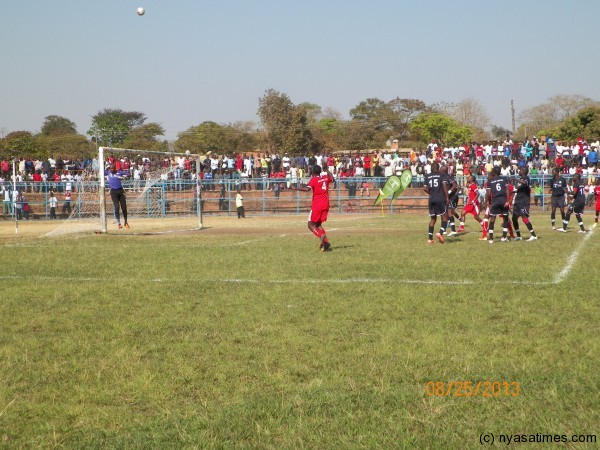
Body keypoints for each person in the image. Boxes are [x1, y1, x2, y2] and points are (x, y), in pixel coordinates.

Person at [291, 163, 334, 251]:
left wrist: (295, 188)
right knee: (318, 224)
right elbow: (333, 179)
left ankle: (321, 236)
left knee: (310, 224)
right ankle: (326, 243)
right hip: (326, 204)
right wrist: (326, 170)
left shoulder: (314, 179)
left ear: (313, 172)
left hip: (317, 205)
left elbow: (307, 189)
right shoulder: (325, 178)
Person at [423, 161, 449, 244]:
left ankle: (430, 239)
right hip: (440, 198)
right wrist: (447, 198)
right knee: (445, 217)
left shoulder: (427, 176)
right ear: (438, 168)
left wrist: (431, 193)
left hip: (431, 199)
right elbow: (444, 186)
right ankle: (440, 233)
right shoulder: (442, 175)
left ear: (431, 168)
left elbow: (425, 188)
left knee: (433, 219)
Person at [511, 167, 538, 241]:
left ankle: (533, 235)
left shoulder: (526, 178)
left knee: (524, 218)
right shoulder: (520, 180)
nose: (519, 171)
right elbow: (521, 189)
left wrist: (515, 179)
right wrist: (513, 192)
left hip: (524, 202)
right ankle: (519, 236)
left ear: (524, 171)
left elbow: (525, 183)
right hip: (518, 201)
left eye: (521, 170)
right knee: (514, 218)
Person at [486, 165, 511, 243]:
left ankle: (490, 239)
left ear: (493, 172)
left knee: (492, 219)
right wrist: (508, 201)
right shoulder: (504, 179)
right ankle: (503, 237)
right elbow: (507, 190)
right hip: (503, 201)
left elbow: (488, 193)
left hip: (495, 201)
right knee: (505, 218)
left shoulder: (490, 181)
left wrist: (488, 202)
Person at [107, 164, 129, 229]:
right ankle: (119, 223)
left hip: (120, 191)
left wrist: (124, 177)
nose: (111, 170)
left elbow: (128, 174)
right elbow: (101, 173)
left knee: (124, 207)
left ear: (115, 168)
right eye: (110, 169)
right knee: (116, 207)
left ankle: (126, 222)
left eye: (113, 168)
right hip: (113, 192)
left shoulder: (119, 172)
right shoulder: (108, 172)